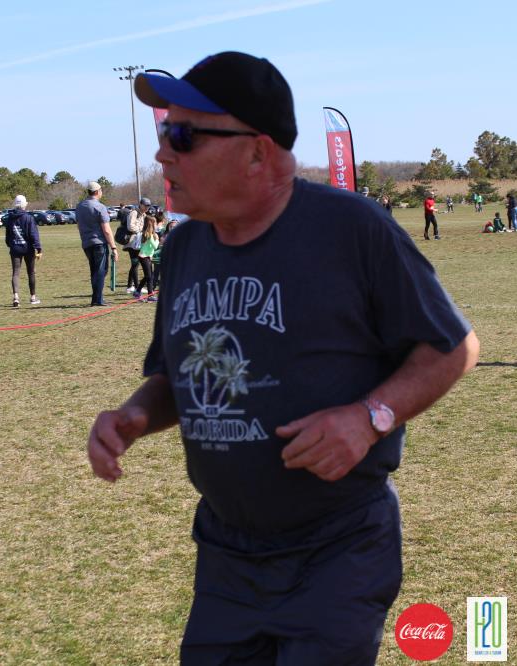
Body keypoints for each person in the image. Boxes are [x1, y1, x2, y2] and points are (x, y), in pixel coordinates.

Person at [88, 50, 479, 665]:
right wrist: (136, 414)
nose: (163, 153)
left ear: (257, 153)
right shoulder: (186, 246)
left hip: (338, 549)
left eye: (183, 136)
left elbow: (453, 346)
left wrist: (368, 418)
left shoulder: (350, 228)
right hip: (226, 553)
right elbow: (172, 372)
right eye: (165, 133)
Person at [75, 181, 118, 306]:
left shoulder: (80, 206)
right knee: (101, 271)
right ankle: (97, 300)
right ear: (98, 192)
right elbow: (106, 230)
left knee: (94, 271)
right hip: (99, 243)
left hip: (86, 243)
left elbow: (79, 225)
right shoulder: (100, 207)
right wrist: (114, 247)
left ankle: (96, 298)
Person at [3, 195, 42, 307]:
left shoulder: (10, 218)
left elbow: (8, 236)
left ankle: (16, 297)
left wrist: (10, 245)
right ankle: (33, 297)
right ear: (24, 204)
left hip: (15, 248)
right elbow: (33, 234)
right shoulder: (29, 218)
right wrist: (38, 248)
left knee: (15, 273)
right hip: (28, 249)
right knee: (31, 272)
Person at [132, 214, 159, 301]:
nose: (156, 225)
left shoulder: (149, 234)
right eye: (155, 223)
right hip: (143, 257)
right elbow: (155, 246)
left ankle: (137, 291)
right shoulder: (149, 235)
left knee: (148, 276)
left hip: (147, 256)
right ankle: (150, 295)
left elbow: (150, 248)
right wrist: (157, 240)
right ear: (151, 224)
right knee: (149, 276)